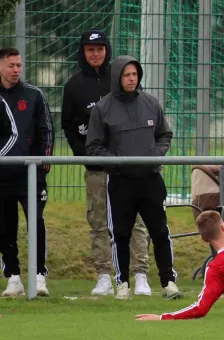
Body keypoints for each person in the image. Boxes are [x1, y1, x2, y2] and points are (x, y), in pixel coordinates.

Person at [61, 28, 151, 296]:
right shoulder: (74, 86)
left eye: (100, 49)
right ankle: (103, 275)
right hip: (97, 169)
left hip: (127, 168)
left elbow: (138, 114)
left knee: (135, 220)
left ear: (107, 50)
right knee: (98, 221)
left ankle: (140, 274)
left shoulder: (122, 76)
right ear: (83, 52)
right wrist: (86, 155)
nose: (96, 54)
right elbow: (68, 125)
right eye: (90, 50)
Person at [86, 55, 181, 300]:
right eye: (127, 74)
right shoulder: (102, 108)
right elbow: (94, 146)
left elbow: (164, 135)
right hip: (120, 182)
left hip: (150, 179)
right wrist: (117, 161)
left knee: (160, 232)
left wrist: (154, 155)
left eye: (135, 74)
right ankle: (123, 284)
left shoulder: (151, 103)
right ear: (118, 77)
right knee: (120, 234)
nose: (132, 78)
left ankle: (168, 282)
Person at [0, 47, 54, 297]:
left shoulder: (34, 95)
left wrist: (44, 161)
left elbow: (47, 130)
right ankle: (13, 276)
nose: (16, 70)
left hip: (30, 175)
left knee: (37, 223)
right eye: (11, 65)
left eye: (19, 65)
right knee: (5, 226)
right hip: (3, 177)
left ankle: (39, 275)